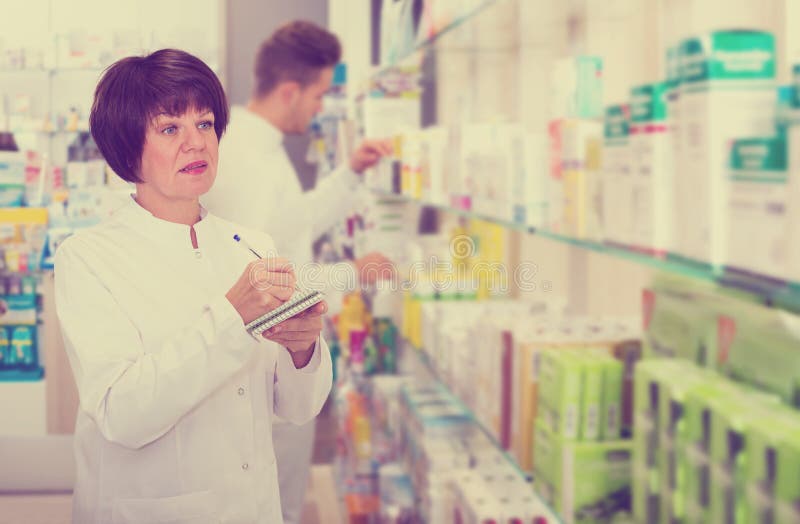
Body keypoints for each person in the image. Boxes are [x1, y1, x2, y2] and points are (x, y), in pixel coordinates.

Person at [54, 48, 331, 523]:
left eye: (204, 124)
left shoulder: (252, 245)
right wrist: (230, 316)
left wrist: (302, 351)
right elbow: (122, 413)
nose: (196, 143)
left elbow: (296, 408)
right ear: (126, 147)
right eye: (169, 129)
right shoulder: (89, 258)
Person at [202, 20, 393, 524]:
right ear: (290, 92)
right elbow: (262, 283)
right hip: (266, 364)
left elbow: (296, 220)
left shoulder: (257, 147)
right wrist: (350, 273)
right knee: (273, 502)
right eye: (320, 95)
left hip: (279, 359)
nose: (321, 107)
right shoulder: (248, 163)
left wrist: (350, 172)